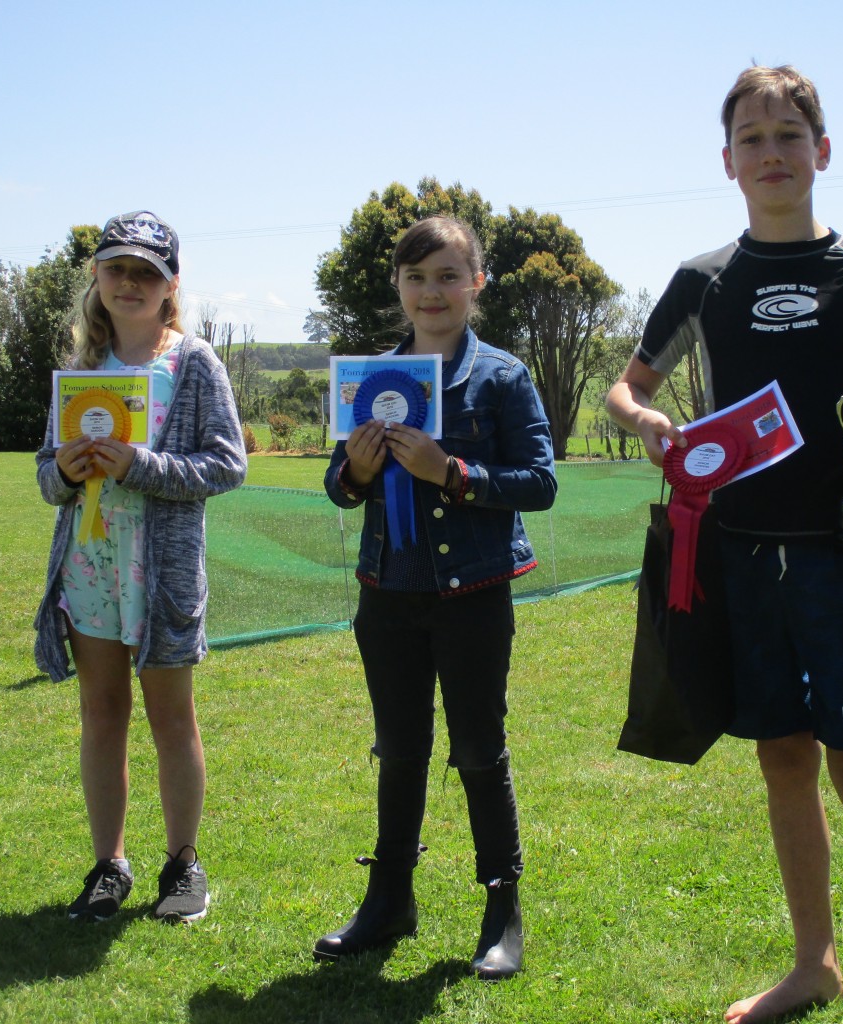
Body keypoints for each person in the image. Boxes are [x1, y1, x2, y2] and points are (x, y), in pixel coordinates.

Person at [606, 67, 843, 1024]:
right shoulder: (703, 280)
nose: (771, 153)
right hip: (739, 559)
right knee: (783, 761)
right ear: (727, 162)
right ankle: (812, 965)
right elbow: (627, 385)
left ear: (821, 151)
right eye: (751, 138)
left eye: (788, 135)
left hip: (841, 557)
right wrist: (647, 421)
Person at [317, 216, 557, 980]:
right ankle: (389, 899)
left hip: (472, 596)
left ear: (475, 283)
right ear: (398, 286)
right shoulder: (367, 378)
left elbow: (540, 482)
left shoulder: (503, 377)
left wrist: (452, 473)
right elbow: (338, 487)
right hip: (386, 595)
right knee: (398, 749)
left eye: (448, 276)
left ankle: (501, 907)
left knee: (479, 748)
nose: (431, 292)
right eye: (416, 277)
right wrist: (356, 471)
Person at [34, 211, 247, 924]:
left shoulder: (194, 363)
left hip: (160, 575)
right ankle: (109, 867)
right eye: (116, 268)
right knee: (101, 715)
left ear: (170, 285)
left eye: (146, 272)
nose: (129, 283)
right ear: (96, 276)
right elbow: (46, 477)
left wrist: (140, 466)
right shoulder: (81, 368)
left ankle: (183, 866)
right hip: (89, 566)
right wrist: (66, 470)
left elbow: (227, 464)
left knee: (171, 719)